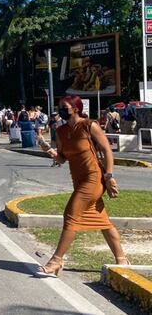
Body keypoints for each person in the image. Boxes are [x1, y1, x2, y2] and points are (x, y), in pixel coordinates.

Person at [39, 95, 128, 277]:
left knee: (71, 214)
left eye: (65, 107)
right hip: (78, 180)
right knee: (102, 220)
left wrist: (109, 176)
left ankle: (56, 260)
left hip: (93, 178)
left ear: (76, 109)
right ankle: (122, 259)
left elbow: (106, 150)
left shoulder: (89, 125)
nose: (61, 111)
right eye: (60, 107)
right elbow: (63, 158)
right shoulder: (61, 130)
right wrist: (48, 149)